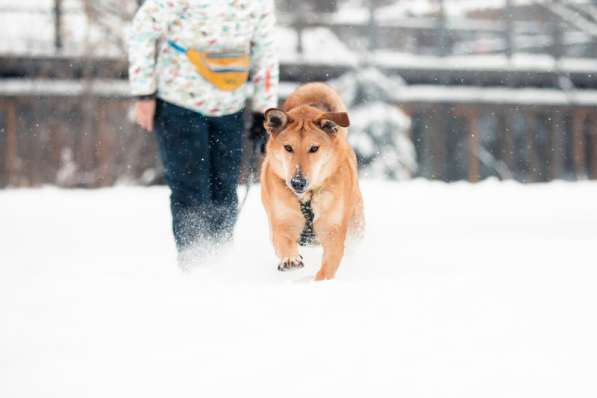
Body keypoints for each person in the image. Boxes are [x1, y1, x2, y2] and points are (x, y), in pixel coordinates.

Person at [128, 0, 278, 266]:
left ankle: (220, 264)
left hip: (230, 108)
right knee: (191, 191)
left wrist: (264, 108)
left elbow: (266, 50)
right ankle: (195, 266)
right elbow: (143, 28)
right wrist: (144, 93)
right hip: (178, 103)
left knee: (225, 191)